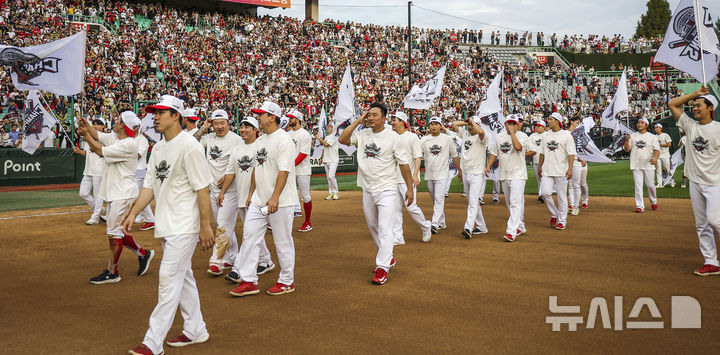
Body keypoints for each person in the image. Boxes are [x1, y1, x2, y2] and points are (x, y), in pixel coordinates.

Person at [123, 95, 213, 355]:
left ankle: (153, 342)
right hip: (166, 223)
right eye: (154, 112)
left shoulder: (190, 146)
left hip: (184, 225)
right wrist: (133, 213)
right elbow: (149, 185)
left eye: (160, 112)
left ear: (176, 115)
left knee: (168, 278)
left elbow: (202, 188)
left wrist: (205, 226)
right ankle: (196, 329)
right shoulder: (159, 147)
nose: (155, 116)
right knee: (183, 278)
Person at [338, 102, 414, 285]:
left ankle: (382, 267)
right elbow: (342, 140)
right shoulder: (363, 134)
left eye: (374, 115)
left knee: (385, 227)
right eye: (368, 115)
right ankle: (387, 256)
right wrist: (358, 120)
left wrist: (410, 189)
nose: (370, 118)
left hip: (387, 188)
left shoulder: (394, 137)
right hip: (367, 188)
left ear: (384, 118)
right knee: (373, 227)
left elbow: (404, 165)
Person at [229, 101, 299, 297]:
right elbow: (255, 169)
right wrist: (252, 194)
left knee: (282, 241)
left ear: (272, 117)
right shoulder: (260, 141)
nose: (258, 117)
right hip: (260, 200)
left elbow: (284, 171)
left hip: (281, 201)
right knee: (250, 237)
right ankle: (249, 280)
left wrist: (275, 197)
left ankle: (286, 280)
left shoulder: (283, 140)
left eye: (261, 114)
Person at [77, 111, 154, 284]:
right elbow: (98, 135)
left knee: (113, 232)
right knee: (117, 230)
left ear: (123, 126)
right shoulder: (117, 138)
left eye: (118, 120)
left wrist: (86, 137)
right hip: (117, 192)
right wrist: (86, 125)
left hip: (123, 194)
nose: (115, 121)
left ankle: (113, 272)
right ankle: (143, 254)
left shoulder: (129, 144)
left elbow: (100, 151)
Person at [668, 87, 720, 276]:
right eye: (693, 106)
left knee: (715, 221)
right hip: (695, 181)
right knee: (702, 224)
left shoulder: (718, 129)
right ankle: (711, 261)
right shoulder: (690, 125)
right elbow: (671, 104)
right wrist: (695, 94)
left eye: (699, 105)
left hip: (716, 182)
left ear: (710, 108)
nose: (694, 108)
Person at [220, 117, 277, 282]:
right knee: (252, 232)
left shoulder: (260, 146)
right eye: (242, 126)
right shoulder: (237, 149)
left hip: (258, 198)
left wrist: (253, 194)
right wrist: (223, 191)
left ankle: (238, 269)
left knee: (249, 234)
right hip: (242, 197)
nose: (243, 129)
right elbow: (230, 172)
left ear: (255, 130)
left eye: (248, 127)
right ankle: (266, 260)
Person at [193, 109, 243, 276]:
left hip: (231, 190)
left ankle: (217, 261)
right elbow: (191, 143)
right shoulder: (208, 138)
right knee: (225, 225)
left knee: (222, 225)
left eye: (223, 123)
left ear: (228, 123)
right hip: (213, 189)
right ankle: (232, 256)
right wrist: (203, 127)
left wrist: (229, 175)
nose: (220, 126)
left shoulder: (237, 140)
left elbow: (244, 159)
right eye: (216, 123)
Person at [487, 114, 531, 242]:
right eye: (508, 123)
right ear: (505, 124)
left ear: (517, 125)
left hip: (518, 174)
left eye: (513, 123)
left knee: (515, 202)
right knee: (509, 203)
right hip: (504, 173)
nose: (510, 125)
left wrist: (512, 133)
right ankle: (520, 226)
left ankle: (511, 231)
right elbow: (494, 153)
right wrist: (488, 166)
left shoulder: (523, 136)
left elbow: (518, 147)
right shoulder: (499, 137)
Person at [390, 111, 431, 244]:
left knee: (411, 207)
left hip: (407, 178)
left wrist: (415, 176)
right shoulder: (392, 137)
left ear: (402, 122)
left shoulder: (412, 137)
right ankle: (398, 237)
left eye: (394, 120)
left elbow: (417, 157)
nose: (392, 122)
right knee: (395, 208)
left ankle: (425, 226)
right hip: (394, 178)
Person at [421, 116, 461, 234]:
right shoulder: (424, 140)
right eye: (432, 124)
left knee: (439, 199)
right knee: (435, 200)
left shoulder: (447, 139)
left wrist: (459, 170)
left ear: (440, 126)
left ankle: (434, 223)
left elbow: (454, 155)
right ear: (429, 126)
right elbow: (417, 156)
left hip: (443, 174)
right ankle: (442, 222)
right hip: (429, 174)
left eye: (436, 124)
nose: (434, 126)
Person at [538, 112, 576, 230]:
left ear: (557, 121)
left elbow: (571, 154)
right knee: (545, 193)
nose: (548, 121)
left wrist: (570, 169)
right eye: (548, 119)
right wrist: (540, 166)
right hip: (547, 170)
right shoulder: (545, 135)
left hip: (561, 171)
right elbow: (542, 152)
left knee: (561, 196)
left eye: (551, 119)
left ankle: (562, 221)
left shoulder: (566, 135)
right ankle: (555, 214)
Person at [452, 117, 489, 239]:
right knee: (472, 201)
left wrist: (474, 123)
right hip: (467, 172)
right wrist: (467, 121)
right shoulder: (466, 133)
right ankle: (482, 226)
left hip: (477, 173)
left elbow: (482, 132)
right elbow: (454, 124)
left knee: (473, 201)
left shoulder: (482, 137)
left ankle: (468, 227)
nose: (470, 126)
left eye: (472, 125)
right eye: (469, 124)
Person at [73, 119, 106, 225]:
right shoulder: (89, 138)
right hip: (88, 170)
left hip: (99, 169)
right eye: (94, 124)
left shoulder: (105, 138)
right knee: (83, 193)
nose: (95, 126)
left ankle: (95, 217)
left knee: (98, 195)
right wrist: (79, 152)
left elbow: (102, 153)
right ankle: (100, 210)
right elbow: (88, 154)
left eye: (98, 124)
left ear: (103, 126)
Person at [623, 117, 659, 213]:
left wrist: (655, 158)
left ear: (646, 125)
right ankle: (639, 205)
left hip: (648, 164)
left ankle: (653, 201)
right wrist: (626, 140)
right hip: (636, 164)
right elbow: (627, 149)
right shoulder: (632, 136)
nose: (639, 124)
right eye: (638, 122)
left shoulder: (652, 137)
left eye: (642, 123)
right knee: (638, 186)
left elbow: (656, 150)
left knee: (650, 185)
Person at [286, 109, 314, 232]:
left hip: (302, 170)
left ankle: (308, 222)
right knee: (287, 195)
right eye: (289, 118)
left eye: (291, 118)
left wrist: (290, 166)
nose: (289, 120)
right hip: (290, 169)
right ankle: (286, 220)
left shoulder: (305, 134)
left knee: (305, 196)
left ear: (297, 120)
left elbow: (303, 154)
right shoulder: (287, 134)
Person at [134, 129, 156, 231]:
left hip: (140, 171)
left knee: (138, 196)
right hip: (134, 171)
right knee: (137, 196)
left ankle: (150, 219)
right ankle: (148, 218)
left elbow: (137, 156)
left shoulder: (142, 139)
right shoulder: (131, 138)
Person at [315, 124, 340, 200]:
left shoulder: (333, 137)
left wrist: (319, 138)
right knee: (328, 178)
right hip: (326, 159)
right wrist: (320, 158)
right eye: (328, 127)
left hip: (333, 159)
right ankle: (331, 193)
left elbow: (326, 144)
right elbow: (323, 149)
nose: (328, 128)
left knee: (331, 176)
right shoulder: (326, 137)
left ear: (333, 129)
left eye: (330, 127)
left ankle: (336, 192)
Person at [567, 117, 584, 216]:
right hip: (566, 162)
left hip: (577, 161)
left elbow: (583, 147)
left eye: (579, 123)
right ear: (571, 122)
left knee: (576, 185)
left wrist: (584, 157)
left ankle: (576, 206)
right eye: (576, 122)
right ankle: (570, 204)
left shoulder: (580, 134)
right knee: (568, 185)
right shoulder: (565, 133)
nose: (578, 124)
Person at [528, 120, 547, 203]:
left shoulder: (547, 135)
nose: (537, 127)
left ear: (543, 127)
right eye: (536, 126)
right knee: (539, 178)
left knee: (545, 178)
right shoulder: (532, 136)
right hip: (536, 160)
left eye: (539, 126)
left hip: (546, 161)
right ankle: (541, 195)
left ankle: (543, 194)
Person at [654, 123, 673, 187]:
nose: (656, 129)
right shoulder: (654, 136)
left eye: (657, 127)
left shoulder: (665, 135)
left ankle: (671, 181)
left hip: (665, 155)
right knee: (658, 169)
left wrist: (660, 145)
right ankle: (659, 183)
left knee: (667, 169)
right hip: (657, 155)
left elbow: (669, 144)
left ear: (660, 128)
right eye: (655, 128)